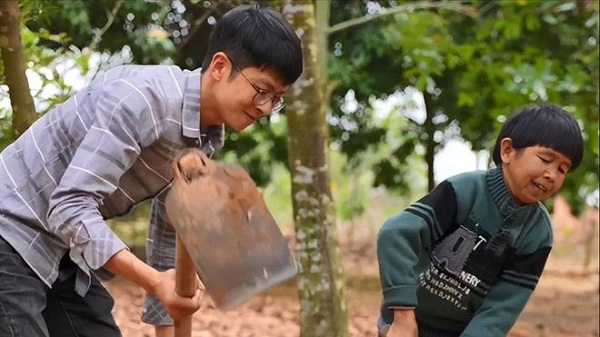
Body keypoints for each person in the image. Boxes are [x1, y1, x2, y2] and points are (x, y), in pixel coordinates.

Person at [0, 4, 302, 337]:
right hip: (10, 229)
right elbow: (70, 206)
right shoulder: (141, 101)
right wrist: (155, 282)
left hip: (61, 249)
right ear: (219, 66)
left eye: (276, 99)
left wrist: (166, 317)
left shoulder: (203, 138)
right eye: (261, 91)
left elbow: (169, 231)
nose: (266, 109)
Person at [376, 104, 584, 337]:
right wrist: (403, 313)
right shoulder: (463, 191)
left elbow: (502, 307)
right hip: (405, 321)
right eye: (546, 159)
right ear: (507, 151)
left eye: (563, 169)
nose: (552, 174)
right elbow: (395, 235)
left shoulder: (537, 234)